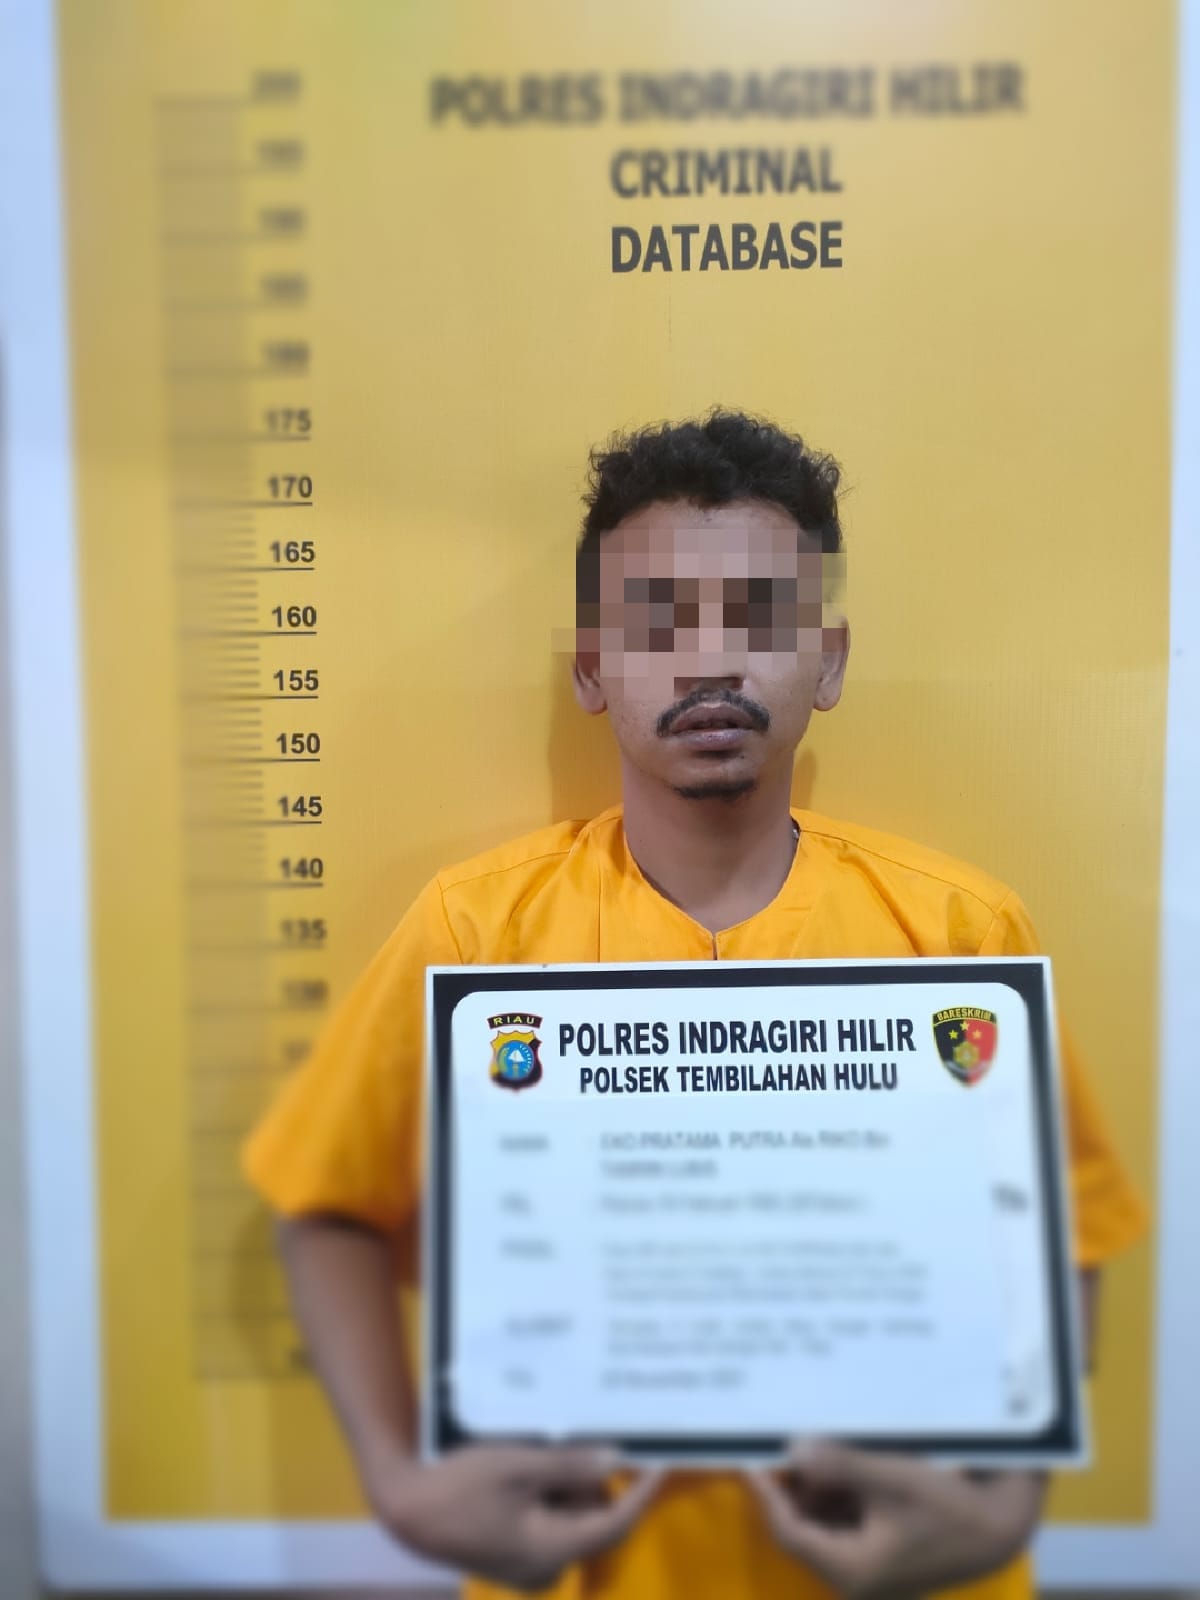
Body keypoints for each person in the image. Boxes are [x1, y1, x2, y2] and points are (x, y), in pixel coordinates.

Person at [244, 410, 1145, 1600]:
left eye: (760, 618)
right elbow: (327, 1201)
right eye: (658, 623)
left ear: (827, 659)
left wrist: (1003, 1506)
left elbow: (1058, 1232)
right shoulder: (478, 933)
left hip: (904, 1571)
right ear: (591, 668)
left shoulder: (959, 933)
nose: (711, 660)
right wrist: (403, 1483)